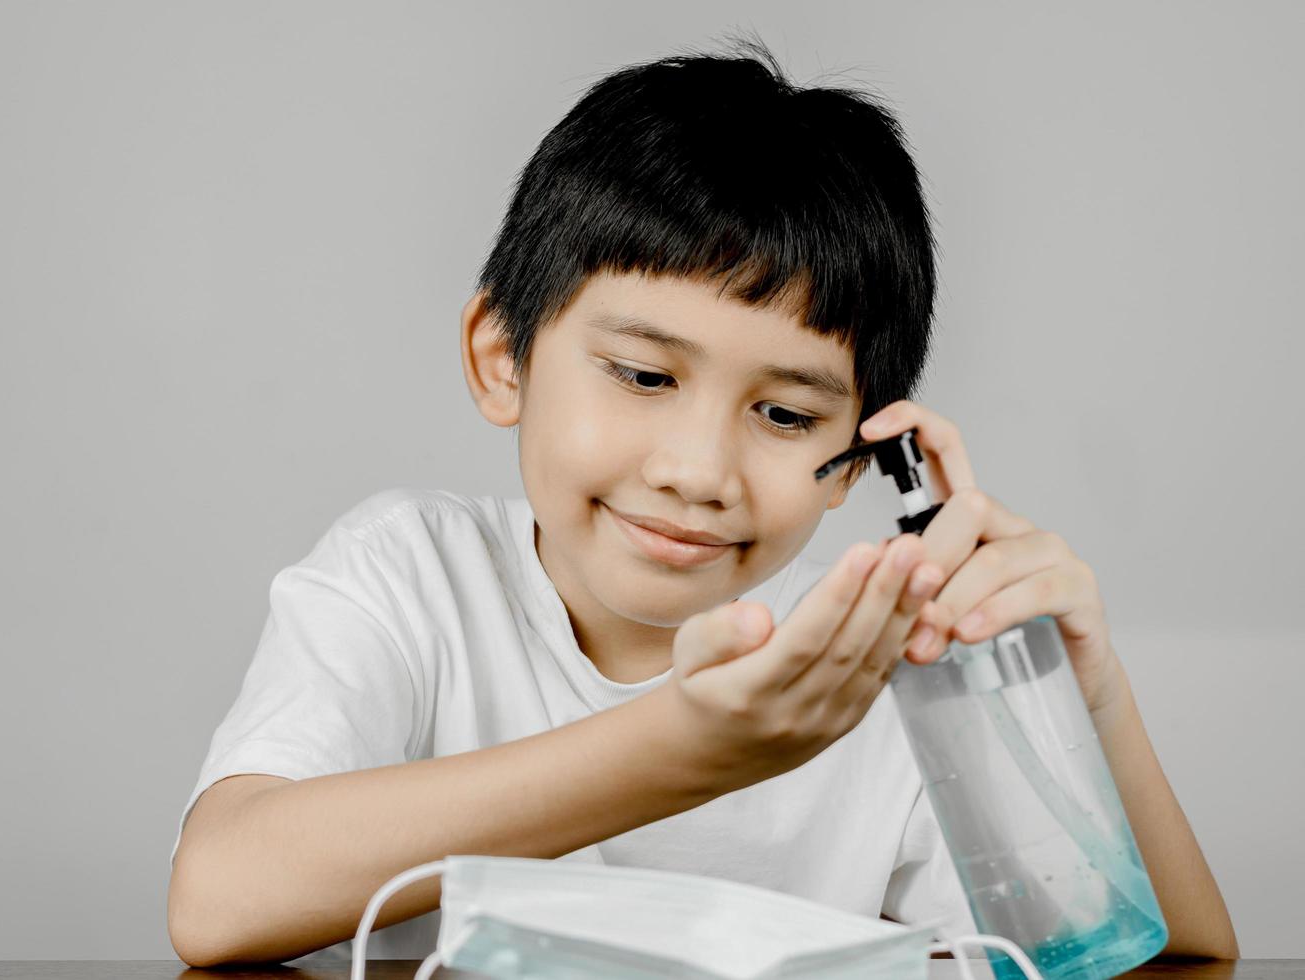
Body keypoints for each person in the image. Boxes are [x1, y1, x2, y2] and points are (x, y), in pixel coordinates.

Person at [166, 35, 1238, 968]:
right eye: (643, 375)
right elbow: (220, 897)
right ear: (503, 359)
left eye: (784, 415)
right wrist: (678, 749)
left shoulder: (883, 665)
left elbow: (1169, 955)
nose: (699, 469)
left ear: (860, 457)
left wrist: (1091, 703)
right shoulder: (410, 575)